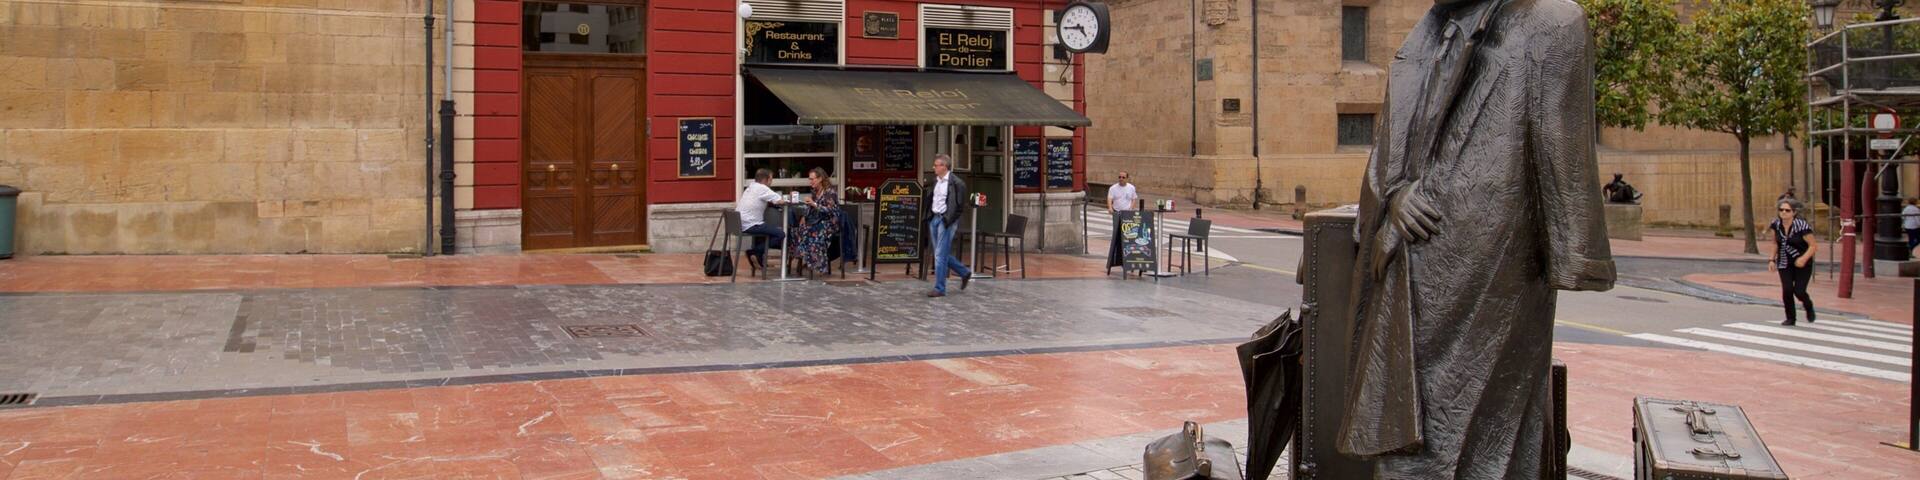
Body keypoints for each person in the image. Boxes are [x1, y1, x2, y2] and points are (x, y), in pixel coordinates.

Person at [925, 154, 972, 297]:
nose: (934, 167)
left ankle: (940, 288)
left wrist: (947, 220)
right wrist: (929, 216)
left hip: (946, 221)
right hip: (935, 218)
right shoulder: (936, 181)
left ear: (944, 166)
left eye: (936, 165)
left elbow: (958, 206)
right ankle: (964, 272)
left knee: (939, 254)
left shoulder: (957, 183)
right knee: (940, 253)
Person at [1769, 200, 1817, 326]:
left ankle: (1808, 305)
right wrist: (1771, 260)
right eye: (1781, 210)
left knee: (1799, 291)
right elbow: (1775, 243)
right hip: (1784, 262)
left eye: (1787, 210)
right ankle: (1791, 318)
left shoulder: (1802, 226)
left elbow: (1813, 246)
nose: (1783, 212)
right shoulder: (1776, 225)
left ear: (1794, 212)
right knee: (1787, 289)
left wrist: (1803, 258)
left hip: (1802, 262)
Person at [736, 168, 789, 269]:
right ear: (767, 179)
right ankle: (754, 251)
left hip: (740, 223)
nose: (771, 182)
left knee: (763, 234)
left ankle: (758, 258)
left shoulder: (751, 187)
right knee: (780, 234)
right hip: (751, 224)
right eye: (771, 179)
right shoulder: (763, 188)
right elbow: (780, 200)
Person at [795, 167, 842, 275]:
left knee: (813, 232)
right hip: (817, 221)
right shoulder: (815, 191)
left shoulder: (830, 192)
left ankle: (817, 264)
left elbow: (830, 211)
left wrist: (814, 204)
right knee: (800, 229)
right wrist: (804, 217)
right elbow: (810, 208)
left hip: (829, 223)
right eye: (809, 179)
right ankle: (807, 259)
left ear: (820, 179)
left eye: (813, 179)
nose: (811, 181)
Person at [1106, 172, 1139, 271]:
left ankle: (1128, 259)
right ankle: (1118, 258)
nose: (1121, 179)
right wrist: (1110, 208)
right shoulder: (1113, 188)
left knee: (1128, 236)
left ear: (1127, 178)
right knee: (1117, 235)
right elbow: (1109, 198)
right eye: (1119, 177)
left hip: (1127, 214)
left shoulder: (1131, 188)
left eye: (1123, 177)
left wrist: (1131, 209)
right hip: (1117, 213)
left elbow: (1134, 199)